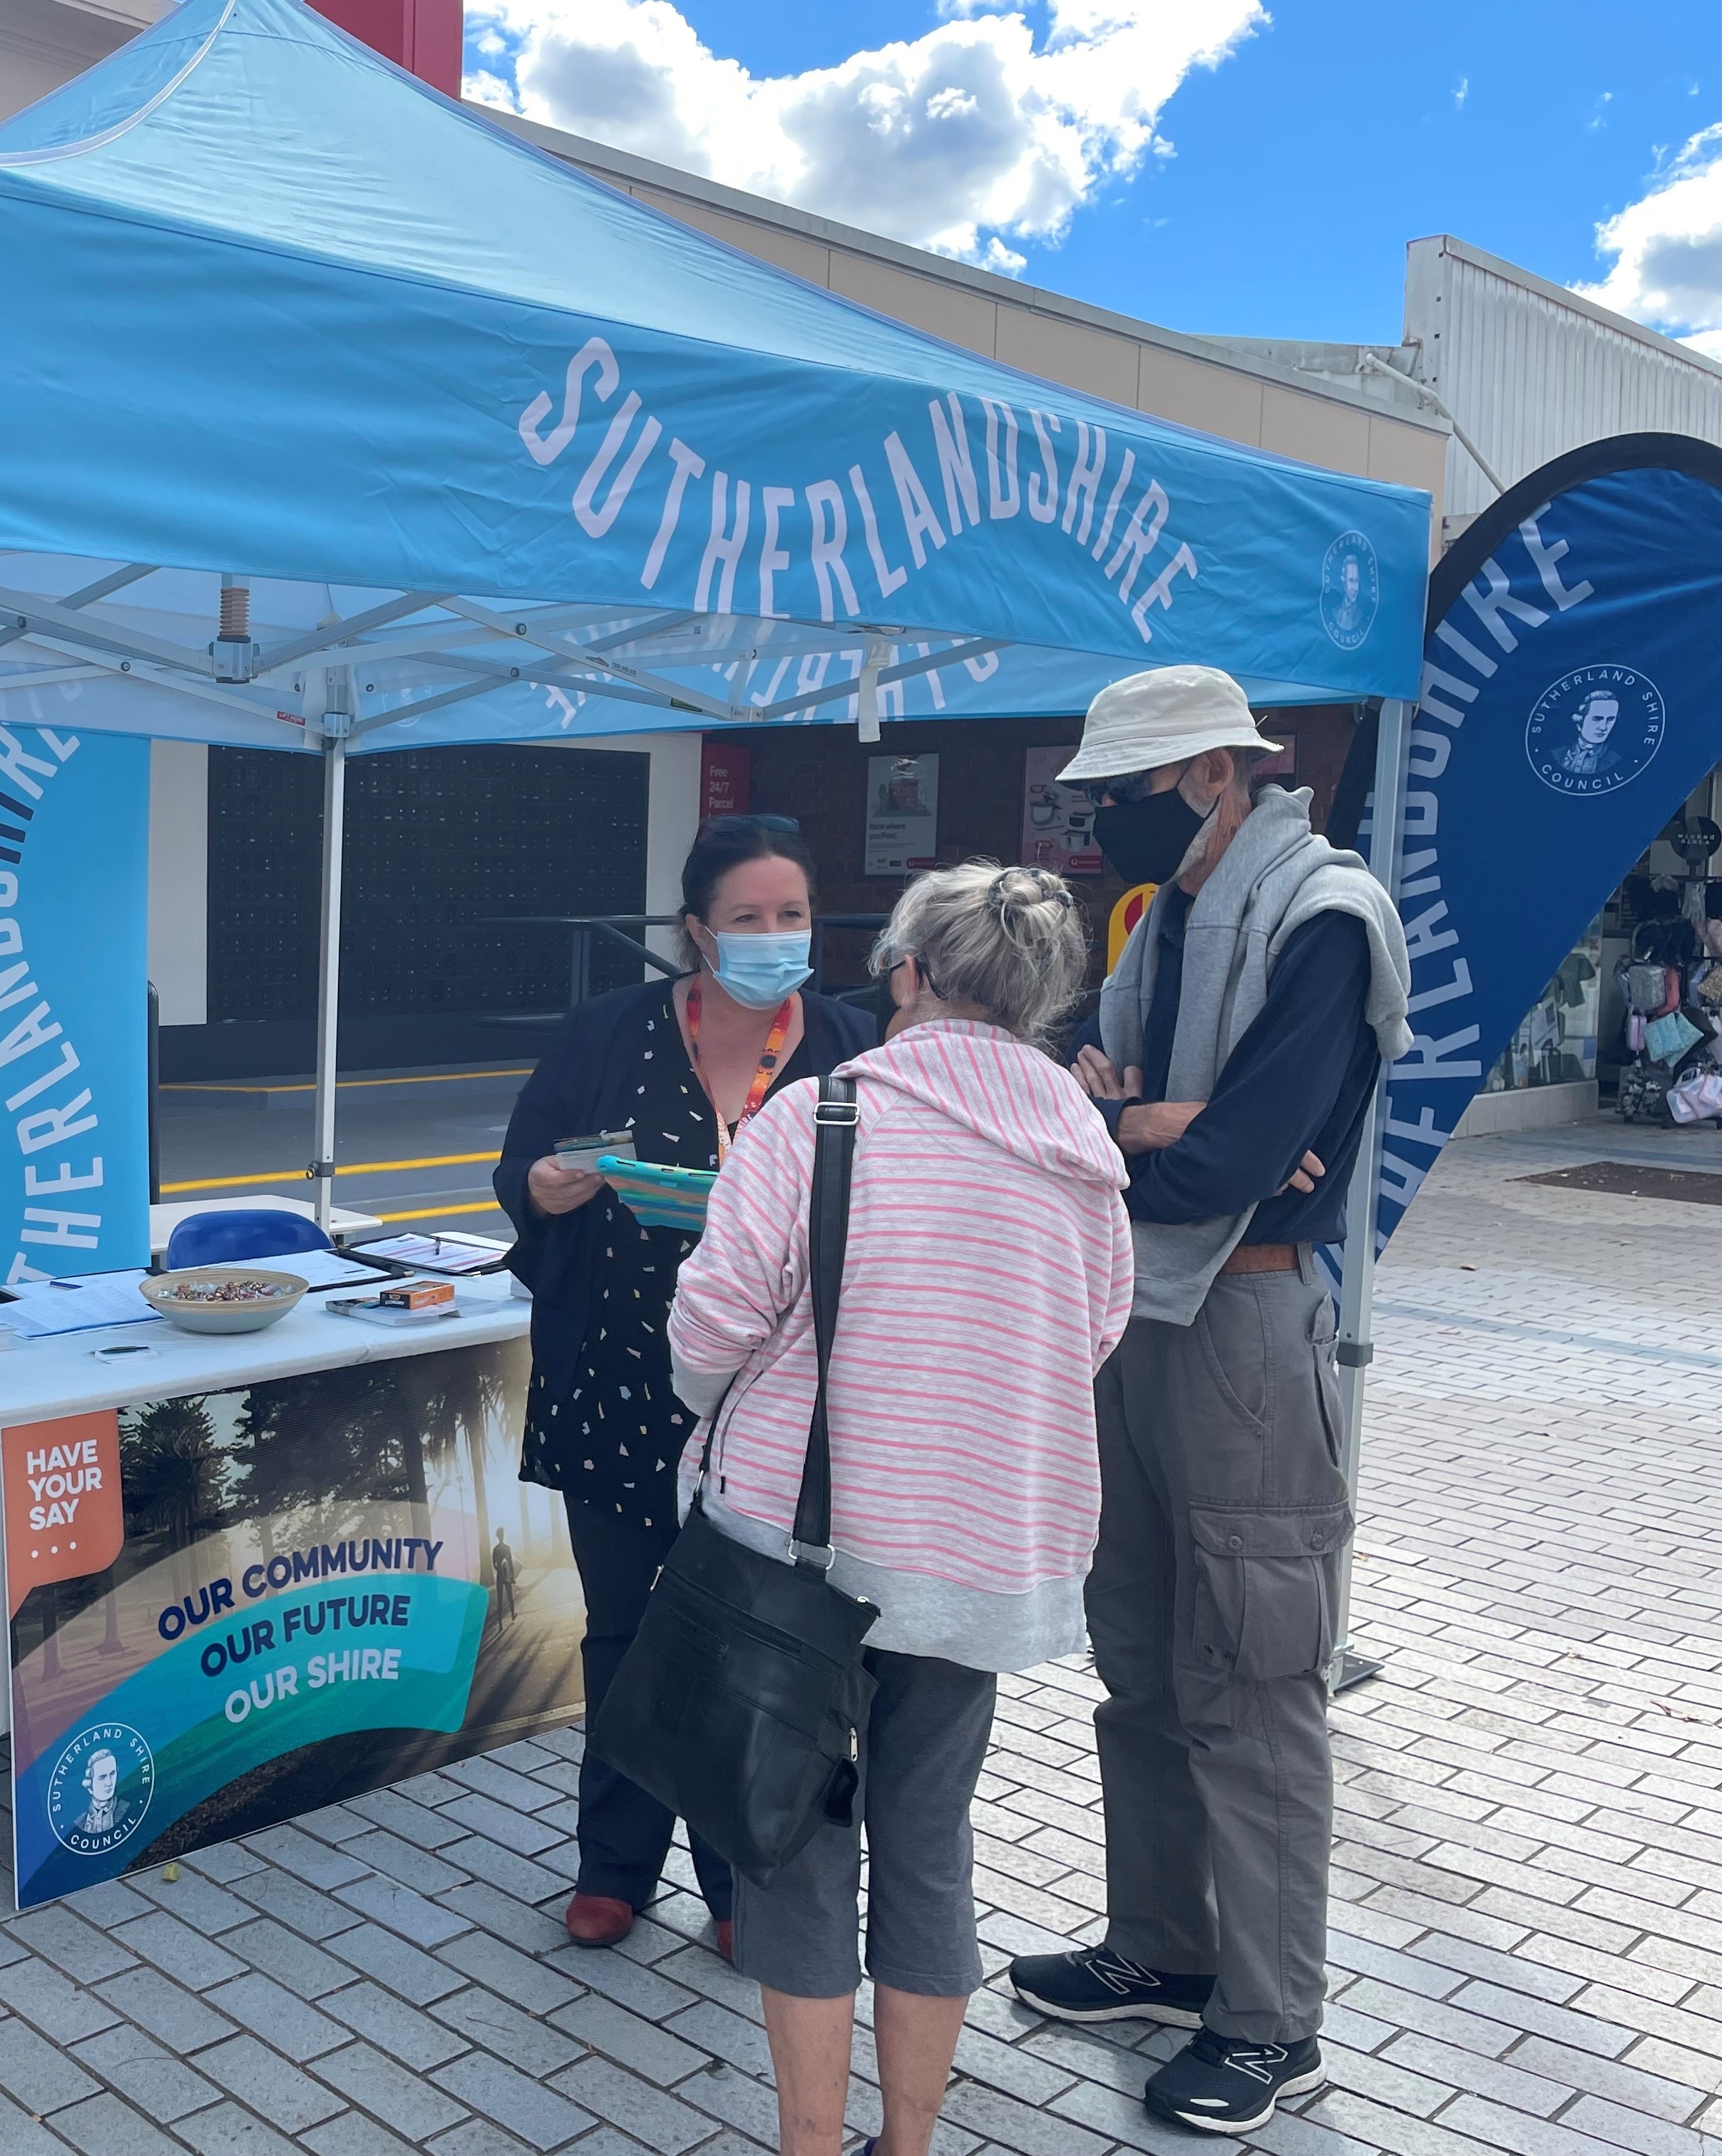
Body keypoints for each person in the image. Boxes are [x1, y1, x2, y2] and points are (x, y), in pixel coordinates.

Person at [667, 860, 1134, 2156]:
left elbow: (711, 1324)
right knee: (928, 1846)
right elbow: (1088, 1334)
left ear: (913, 973)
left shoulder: (821, 1116)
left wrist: (718, 1387)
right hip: (975, 1565)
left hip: (798, 1560)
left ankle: (810, 2142)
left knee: (797, 1853)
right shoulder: (1081, 1153)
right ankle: (907, 2143)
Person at [1008, 665, 1408, 2135]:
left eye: (1114, 797)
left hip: (1244, 1327)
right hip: (1141, 1310)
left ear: (1208, 777)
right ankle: (1162, 1951)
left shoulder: (1322, 914)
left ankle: (1270, 2021)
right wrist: (1136, 1122)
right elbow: (1077, 1106)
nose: (1096, 823)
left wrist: (1149, 1129)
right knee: (1147, 1665)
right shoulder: (1165, 914)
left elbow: (1236, 1164)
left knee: (1255, 1681)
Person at [495, 813, 880, 1957]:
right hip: (619, 1381)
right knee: (621, 1632)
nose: (774, 939)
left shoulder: (853, 1047)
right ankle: (613, 1866)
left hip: (779, 1408)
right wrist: (547, 1186)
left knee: (749, 1645)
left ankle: (737, 1880)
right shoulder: (609, 1032)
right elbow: (520, 1163)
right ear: (693, 931)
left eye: (793, 917)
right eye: (747, 920)